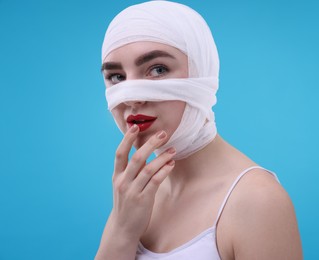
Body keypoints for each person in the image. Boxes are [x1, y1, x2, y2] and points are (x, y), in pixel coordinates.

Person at [95, 1, 302, 259]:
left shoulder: (257, 201)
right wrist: (121, 230)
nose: (132, 98)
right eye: (117, 77)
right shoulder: (134, 193)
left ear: (202, 72)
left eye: (157, 70)